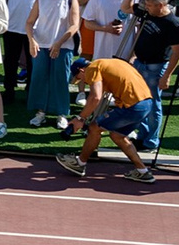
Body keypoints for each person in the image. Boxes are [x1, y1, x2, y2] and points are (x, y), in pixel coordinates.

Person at [59, 55, 161, 183]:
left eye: (80, 79)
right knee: (118, 136)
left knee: (94, 128)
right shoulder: (110, 63)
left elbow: (95, 97)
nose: (84, 82)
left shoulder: (92, 68)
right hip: (146, 104)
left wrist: (80, 118)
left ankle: (79, 164)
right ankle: (143, 171)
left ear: (81, 70)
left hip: (132, 106)